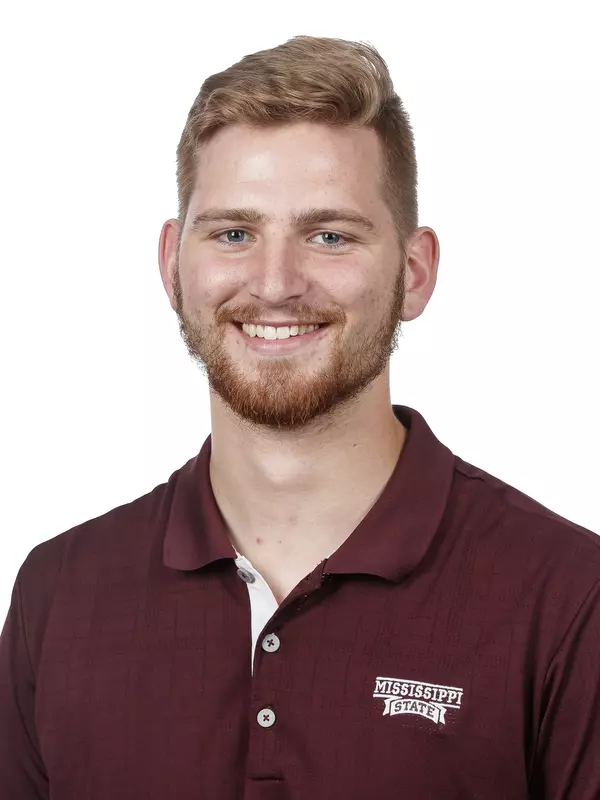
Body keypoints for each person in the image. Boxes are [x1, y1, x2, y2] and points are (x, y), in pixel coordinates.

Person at [1, 34, 599, 800]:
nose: (276, 283)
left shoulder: (569, 597)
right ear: (171, 267)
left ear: (414, 274)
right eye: (234, 233)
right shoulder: (60, 594)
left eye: (329, 235)